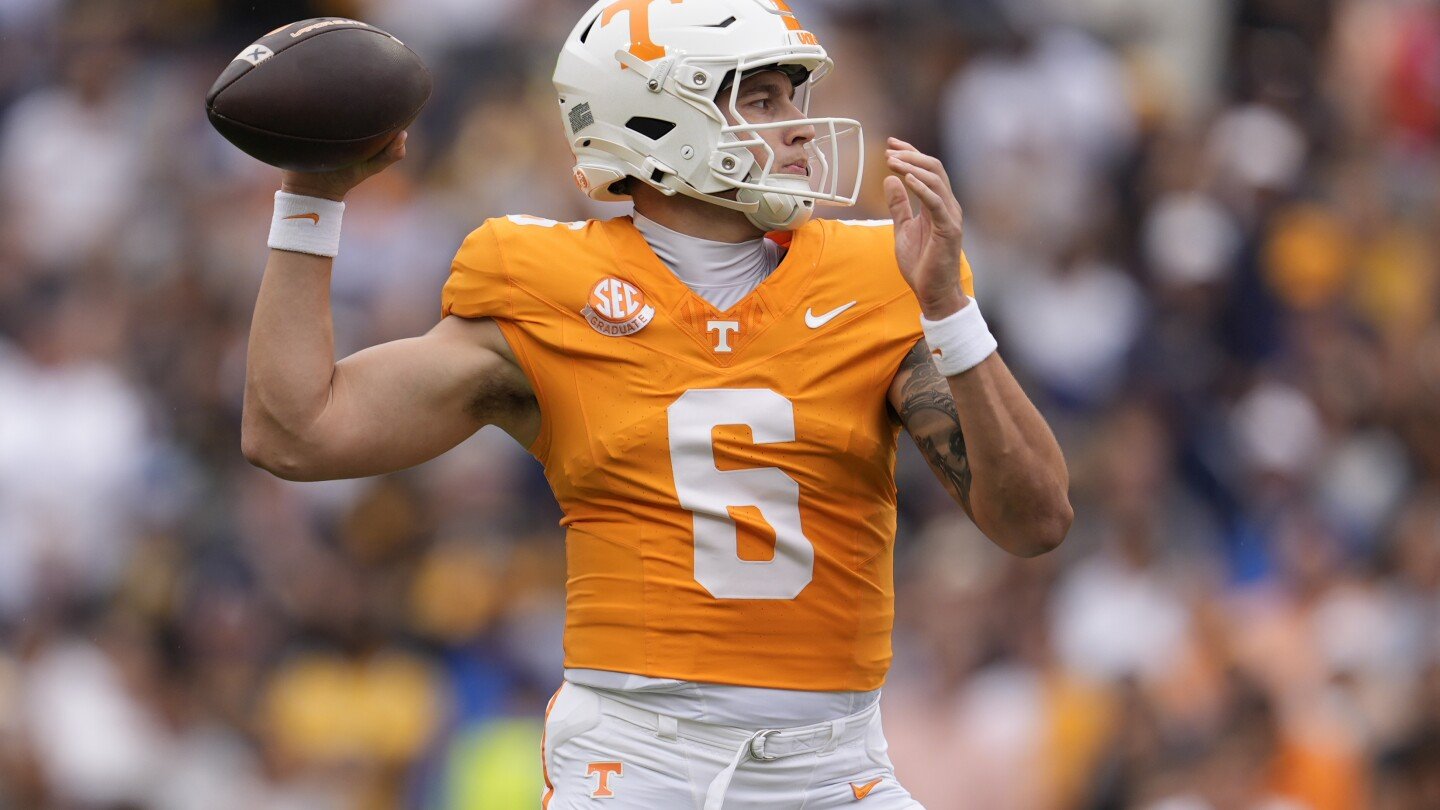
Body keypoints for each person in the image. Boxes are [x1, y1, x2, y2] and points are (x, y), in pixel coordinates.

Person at [241, 0, 1073, 806]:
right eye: (761, 99)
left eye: (792, 98)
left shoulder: (878, 275)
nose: (797, 126)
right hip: (635, 766)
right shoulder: (545, 284)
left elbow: (1035, 521)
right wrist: (313, 198)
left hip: (833, 768)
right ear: (653, 118)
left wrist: (948, 312)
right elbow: (297, 433)